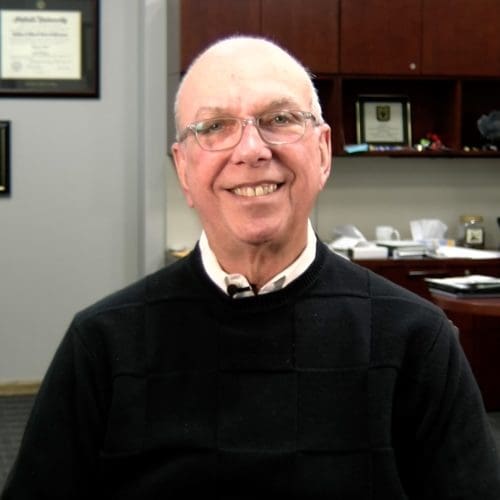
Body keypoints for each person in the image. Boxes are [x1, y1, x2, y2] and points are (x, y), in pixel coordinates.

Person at [2, 36, 500, 499]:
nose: (251, 150)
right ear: (183, 171)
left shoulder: (415, 339)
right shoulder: (103, 343)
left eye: (280, 119)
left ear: (323, 152)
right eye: (215, 127)